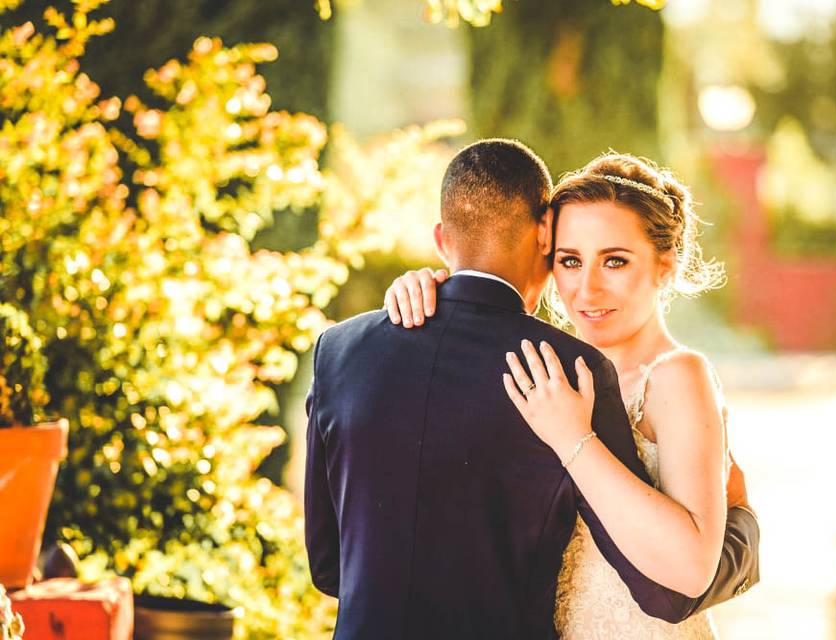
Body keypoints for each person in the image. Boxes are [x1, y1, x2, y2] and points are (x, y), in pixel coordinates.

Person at [306, 139, 758, 640]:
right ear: (543, 250)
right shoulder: (546, 366)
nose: (587, 288)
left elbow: (685, 576)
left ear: (665, 264)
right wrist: (434, 293)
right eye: (569, 260)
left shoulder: (676, 374)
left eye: (615, 261)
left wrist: (573, 440)